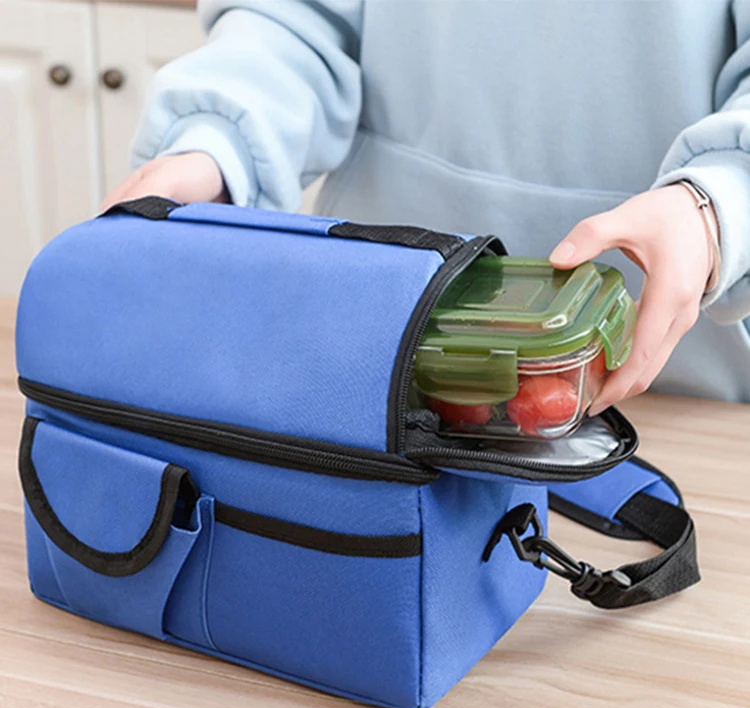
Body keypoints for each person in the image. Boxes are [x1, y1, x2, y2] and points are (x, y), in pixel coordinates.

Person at [102, 0, 750, 412]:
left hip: (672, 391)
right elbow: (296, 20)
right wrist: (217, 143)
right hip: (373, 359)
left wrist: (715, 200)